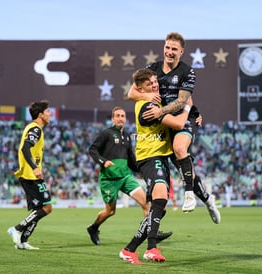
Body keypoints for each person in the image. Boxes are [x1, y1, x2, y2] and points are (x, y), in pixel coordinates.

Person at [127, 33, 221, 224]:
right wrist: (146, 98)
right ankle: (208, 200)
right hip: (164, 123)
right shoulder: (152, 68)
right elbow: (131, 92)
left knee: (180, 149)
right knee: (185, 169)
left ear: (182, 51)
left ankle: (189, 195)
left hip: (183, 117)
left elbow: (181, 101)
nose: (169, 52)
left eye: (174, 49)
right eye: (167, 47)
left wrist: (160, 110)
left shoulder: (188, 71)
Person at [119, 68, 193, 264]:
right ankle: (151, 248)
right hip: (150, 157)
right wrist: (187, 107)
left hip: (159, 156)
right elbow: (177, 124)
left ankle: (130, 249)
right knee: (160, 199)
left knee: (159, 207)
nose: (154, 84)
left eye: (154, 81)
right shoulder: (147, 107)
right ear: (141, 88)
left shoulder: (152, 99)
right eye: (149, 83)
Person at [86, 106, 172, 245]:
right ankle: (93, 228)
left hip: (125, 177)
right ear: (113, 118)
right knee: (110, 211)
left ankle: (153, 233)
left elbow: (131, 159)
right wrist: (103, 161)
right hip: (109, 179)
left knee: (147, 204)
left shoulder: (126, 136)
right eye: (118, 116)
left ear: (125, 119)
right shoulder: (106, 133)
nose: (120, 118)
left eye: (123, 116)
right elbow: (92, 150)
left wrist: (142, 171)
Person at [7, 100, 53, 250]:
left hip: (30, 174)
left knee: (39, 208)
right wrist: (35, 168)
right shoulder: (35, 129)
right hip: (30, 175)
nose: (50, 113)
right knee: (47, 208)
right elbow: (26, 149)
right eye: (47, 111)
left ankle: (22, 241)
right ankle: (17, 229)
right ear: (40, 115)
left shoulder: (34, 128)